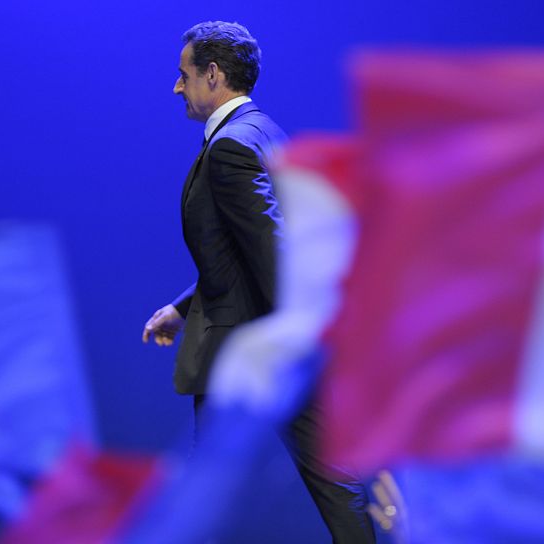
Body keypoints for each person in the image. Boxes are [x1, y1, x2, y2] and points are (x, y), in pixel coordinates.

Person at [142, 21, 375, 543]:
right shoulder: (264, 131)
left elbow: (274, 253)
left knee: (210, 499)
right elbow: (239, 250)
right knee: (333, 481)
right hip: (269, 340)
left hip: (246, 351)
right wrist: (182, 308)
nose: (177, 87)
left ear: (213, 75)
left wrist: (297, 340)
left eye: (184, 75)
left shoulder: (230, 149)